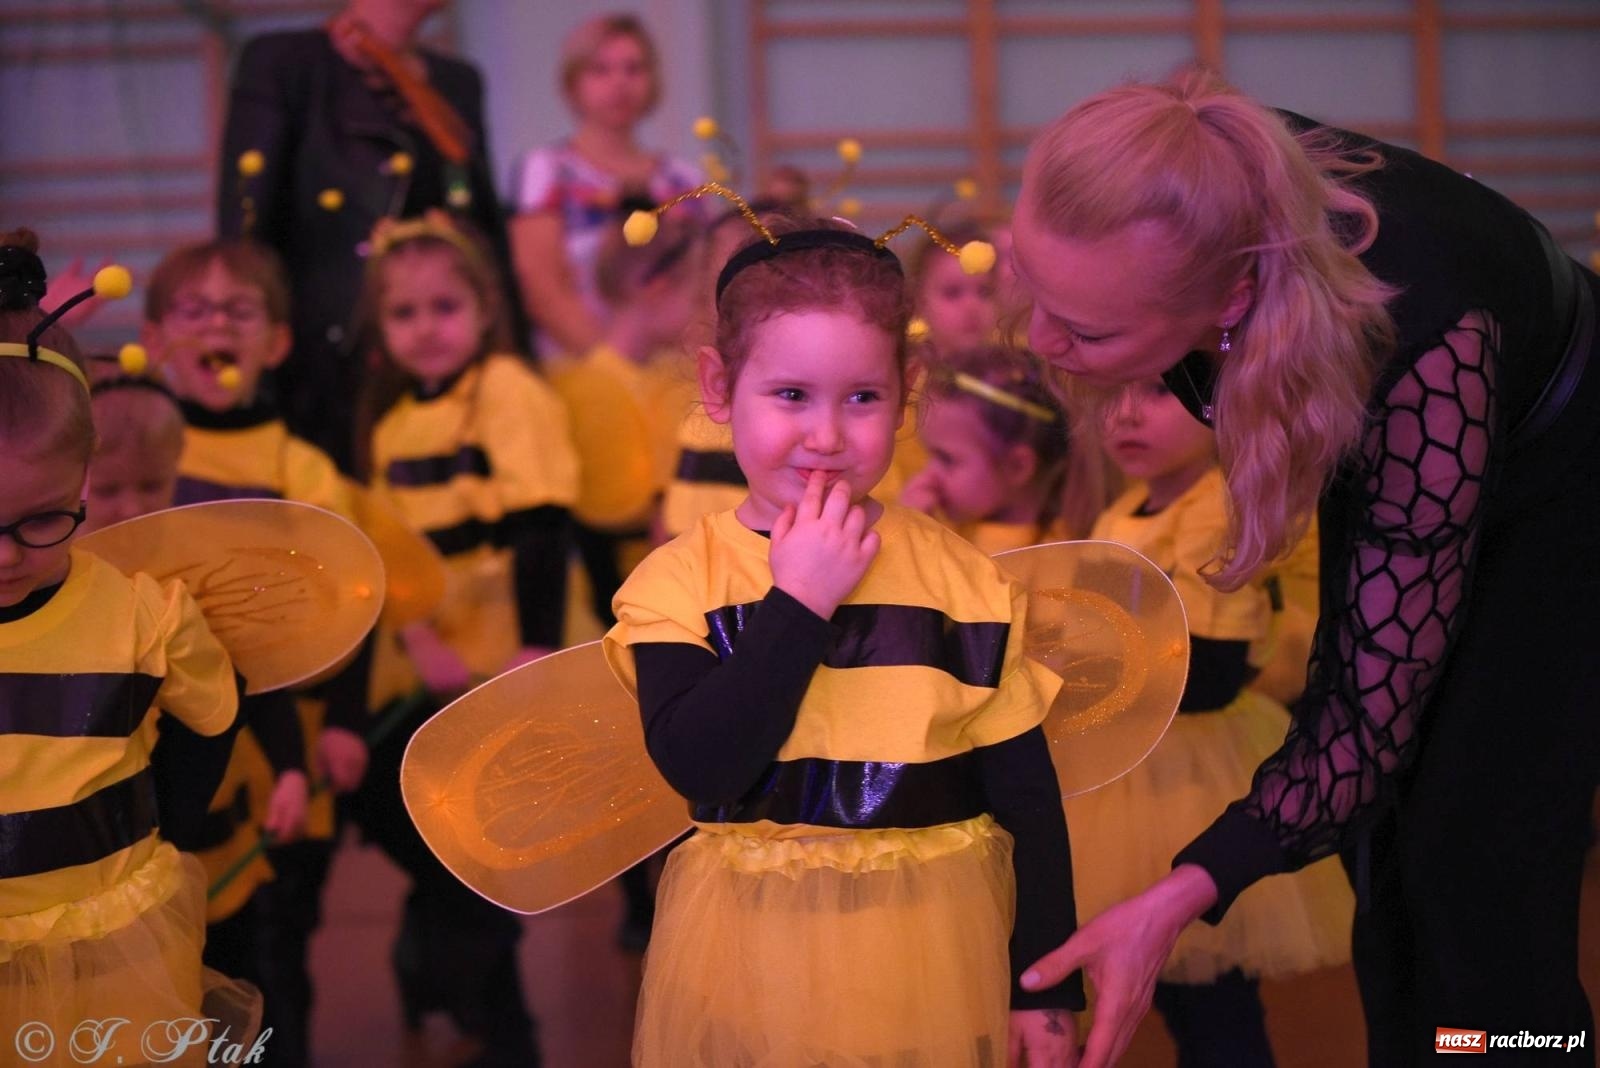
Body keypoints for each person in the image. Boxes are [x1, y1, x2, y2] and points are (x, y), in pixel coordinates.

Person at [1010, 71, 1600, 1066]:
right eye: (1037, 294)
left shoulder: (1427, 348)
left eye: (1088, 331)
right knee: (1391, 873)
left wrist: (1177, 897)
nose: (1039, 341)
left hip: (1563, 489)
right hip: (1412, 422)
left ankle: (1533, 1049)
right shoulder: (1201, 181)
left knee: (1476, 862)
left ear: (1233, 297)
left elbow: (1363, 721)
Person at [603, 214, 1082, 1065]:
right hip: (756, 961)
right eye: (791, 395)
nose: (826, 436)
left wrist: (1042, 988)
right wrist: (799, 601)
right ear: (719, 387)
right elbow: (704, 766)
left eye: (861, 397)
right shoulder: (677, 586)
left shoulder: (964, 581)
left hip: (933, 950)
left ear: (907, 386)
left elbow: (1029, 803)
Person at [0, 230, 256, 1052]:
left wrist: (162, 826)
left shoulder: (145, 618)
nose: (6, 555)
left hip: (117, 947)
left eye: (42, 519)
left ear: (81, 481)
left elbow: (213, 717)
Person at [1066, 375, 1352, 1067]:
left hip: (1195, 771)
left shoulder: (1216, 505)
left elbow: (1208, 674)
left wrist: (1084, 667)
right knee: (1159, 983)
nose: (1127, 413)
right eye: (1117, 396)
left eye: (1159, 394)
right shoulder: (1123, 510)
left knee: (1213, 990)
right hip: (1131, 764)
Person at [141, 237, 371, 1068]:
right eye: (194, 311)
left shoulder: (300, 467)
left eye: (237, 311)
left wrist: (342, 725)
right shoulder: (137, 459)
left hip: (283, 750)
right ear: (158, 335)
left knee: (277, 952)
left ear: (274, 341)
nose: (215, 326)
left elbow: (357, 610)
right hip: (166, 752)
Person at [357, 214, 579, 1065]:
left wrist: (533, 645)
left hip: (503, 662)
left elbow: (541, 524)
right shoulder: (390, 430)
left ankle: (502, 1025)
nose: (427, 328)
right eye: (405, 313)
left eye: (445, 306)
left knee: (490, 855)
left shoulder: (508, 392)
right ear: (381, 329)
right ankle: (435, 960)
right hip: (428, 670)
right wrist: (417, 640)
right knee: (423, 831)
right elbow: (389, 558)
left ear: (484, 311)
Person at [217, 0, 522, 474]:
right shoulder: (284, 62)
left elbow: (484, 230)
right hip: (321, 366)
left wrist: (514, 352)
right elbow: (245, 237)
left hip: (444, 364)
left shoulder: (457, 81)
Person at [508, 13, 702, 356]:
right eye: (600, 70)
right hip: (576, 365)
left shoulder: (683, 178)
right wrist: (609, 368)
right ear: (573, 84)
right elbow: (542, 287)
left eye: (633, 69)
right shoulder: (547, 170)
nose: (619, 83)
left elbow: (699, 284)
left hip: (670, 370)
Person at [901, 344, 1102, 551]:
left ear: (1017, 466)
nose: (929, 474)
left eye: (946, 459)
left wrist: (915, 541)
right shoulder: (960, 527)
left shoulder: (1034, 554)